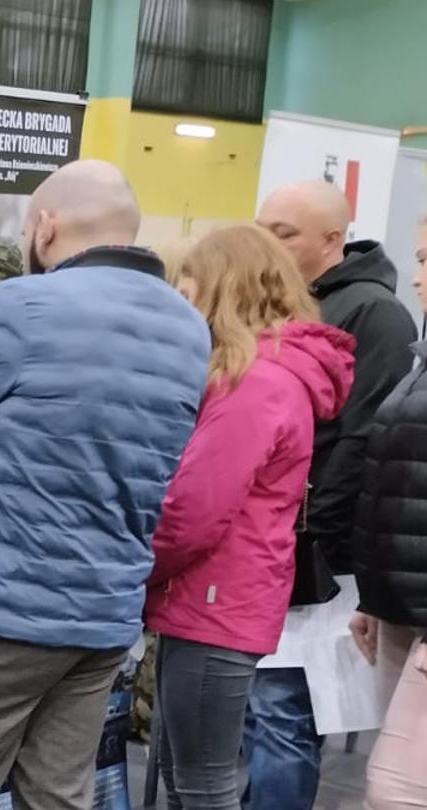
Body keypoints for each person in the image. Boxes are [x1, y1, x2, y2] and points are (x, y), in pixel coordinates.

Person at [0, 160, 211, 809]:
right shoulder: (187, 329)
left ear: (44, 226)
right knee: (59, 796)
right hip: (100, 614)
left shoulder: (22, 307)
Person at [144, 225, 353, 810]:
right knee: (194, 777)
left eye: (191, 296)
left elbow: (193, 509)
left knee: (202, 783)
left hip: (213, 601)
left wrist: (137, 567)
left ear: (222, 291)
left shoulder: (254, 382)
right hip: (220, 598)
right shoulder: (268, 376)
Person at [245, 181, 418, 809]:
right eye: (263, 227)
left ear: (331, 240)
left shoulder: (375, 314)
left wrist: (310, 531)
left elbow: (361, 439)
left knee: (282, 714)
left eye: (284, 232)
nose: (269, 242)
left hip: (318, 556)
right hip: (271, 547)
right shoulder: (281, 307)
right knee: (258, 717)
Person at [354, 216, 427, 809]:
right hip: (399, 601)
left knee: (397, 789)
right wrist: (373, 598)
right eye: (423, 260)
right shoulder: (420, 359)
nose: (422, 278)